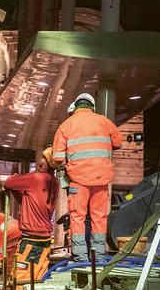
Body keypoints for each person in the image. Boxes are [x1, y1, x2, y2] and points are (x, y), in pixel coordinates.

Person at [52, 92, 123, 261]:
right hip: (101, 179)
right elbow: (118, 143)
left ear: (76, 106)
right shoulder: (105, 122)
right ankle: (98, 255)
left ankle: (81, 256)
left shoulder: (66, 125)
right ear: (92, 106)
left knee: (78, 217)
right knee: (99, 217)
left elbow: (57, 157)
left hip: (78, 180)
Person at [5, 149, 58, 290]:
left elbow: (9, 182)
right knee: (37, 282)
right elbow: (29, 201)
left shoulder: (36, 178)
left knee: (21, 281)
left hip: (30, 242)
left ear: (50, 162)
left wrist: (16, 177)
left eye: (44, 158)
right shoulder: (54, 182)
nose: (40, 162)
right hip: (45, 241)